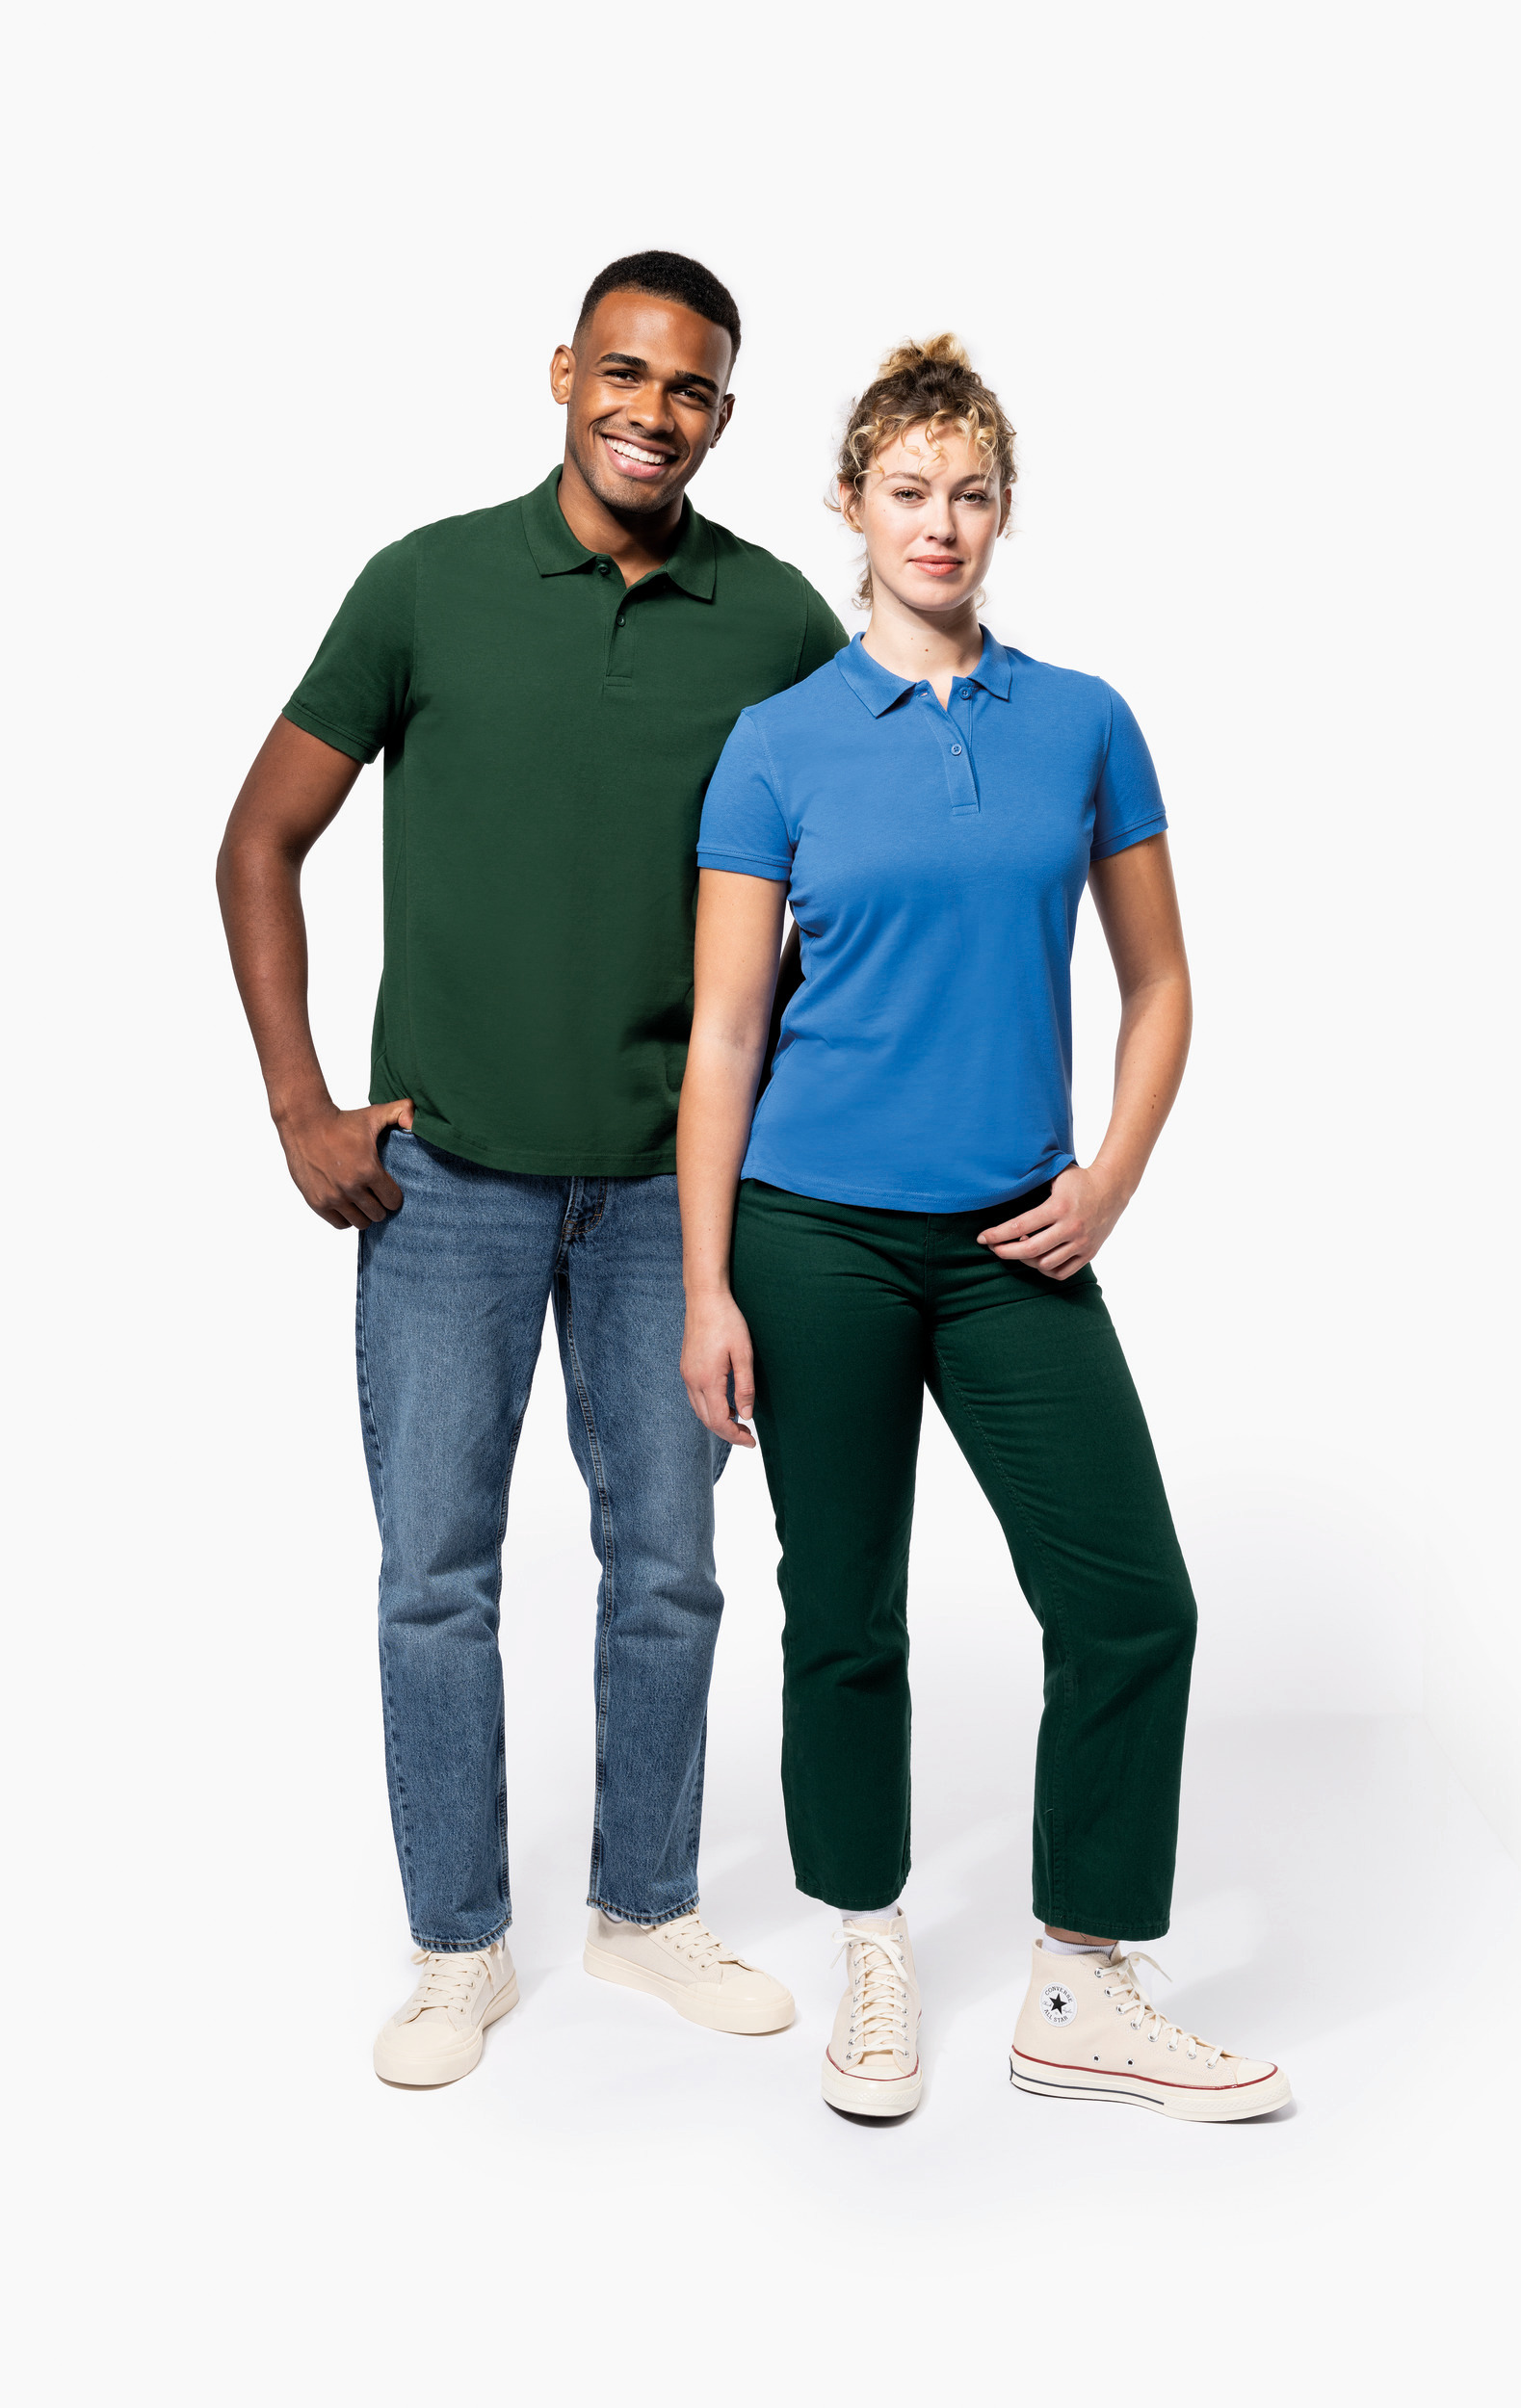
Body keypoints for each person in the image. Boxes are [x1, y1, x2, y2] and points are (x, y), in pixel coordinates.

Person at [218, 250, 846, 2087]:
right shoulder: (426, 584)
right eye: (626, 373)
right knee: (436, 1572)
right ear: (564, 371)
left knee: (670, 1570)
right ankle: (456, 1947)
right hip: (450, 1184)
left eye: (692, 389)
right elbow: (258, 838)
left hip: (669, 1195)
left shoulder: (773, 616)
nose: (654, 412)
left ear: (722, 415)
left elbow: (861, 853)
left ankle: (643, 1908)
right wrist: (300, 1106)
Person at [677, 335, 1291, 2121]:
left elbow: (1160, 981)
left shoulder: (1080, 721)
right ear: (850, 507)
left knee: (1130, 1605)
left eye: (967, 493)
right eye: (905, 492)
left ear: (1003, 511)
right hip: (813, 1237)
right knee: (842, 1612)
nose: (936, 523)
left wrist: (1110, 1175)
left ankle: (1080, 1985)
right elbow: (725, 1034)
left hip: (1020, 1236)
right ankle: (869, 1944)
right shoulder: (777, 743)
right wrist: (706, 1281)